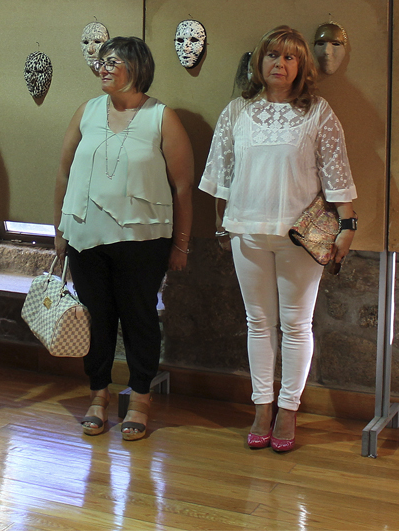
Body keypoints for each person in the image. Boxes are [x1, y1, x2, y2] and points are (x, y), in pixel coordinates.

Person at [199, 26, 356, 453]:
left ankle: (288, 409)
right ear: (259, 61)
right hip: (247, 232)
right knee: (258, 323)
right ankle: (262, 407)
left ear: (301, 66)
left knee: (296, 325)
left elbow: (336, 172)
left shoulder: (318, 112)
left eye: (289, 57)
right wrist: (222, 224)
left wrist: (348, 225)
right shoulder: (237, 111)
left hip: (298, 237)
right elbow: (221, 175)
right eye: (272, 55)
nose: (280, 64)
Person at [55, 36, 194, 441]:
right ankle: (98, 394)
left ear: (138, 68)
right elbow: (63, 172)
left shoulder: (161, 117)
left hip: (143, 239)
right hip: (85, 236)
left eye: (113, 61)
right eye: (102, 61)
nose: (103, 67)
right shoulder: (86, 110)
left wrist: (181, 244)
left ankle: (140, 397)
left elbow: (183, 187)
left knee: (139, 318)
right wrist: (60, 229)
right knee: (96, 319)